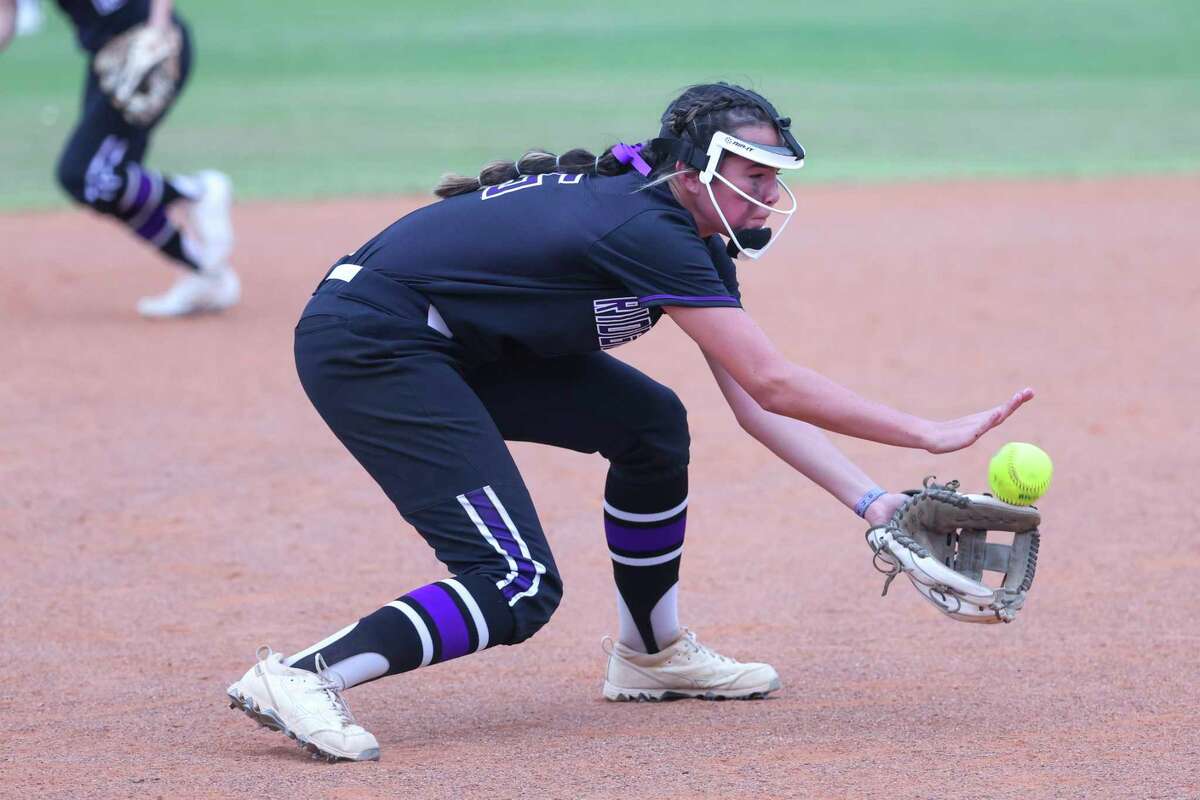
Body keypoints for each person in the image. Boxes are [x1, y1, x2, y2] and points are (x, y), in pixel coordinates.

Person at [225, 82, 1034, 762]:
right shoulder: (645, 228)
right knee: (516, 583)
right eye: (753, 174)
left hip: (455, 341)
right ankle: (303, 674)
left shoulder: (692, 233)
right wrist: (926, 433)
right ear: (697, 171)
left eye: (777, 176)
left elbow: (750, 404)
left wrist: (873, 503)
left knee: (650, 426)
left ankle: (651, 654)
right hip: (375, 343)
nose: (770, 196)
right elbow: (775, 381)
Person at [0, 0, 239, 317]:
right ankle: (205, 274)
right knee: (103, 185)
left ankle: (196, 192)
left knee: (83, 174)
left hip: (153, 48)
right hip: (111, 62)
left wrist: (158, 27)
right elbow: (7, 11)